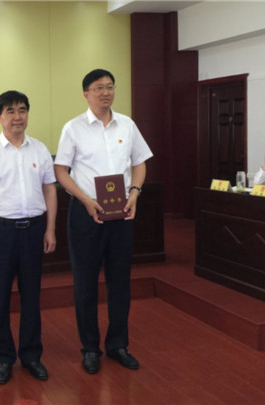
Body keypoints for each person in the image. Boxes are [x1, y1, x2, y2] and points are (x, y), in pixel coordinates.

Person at [54, 69, 153, 374]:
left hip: (121, 212)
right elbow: (61, 171)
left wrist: (135, 192)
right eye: (99, 88)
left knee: (120, 282)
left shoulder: (127, 124)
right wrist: (85, 200)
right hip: (86, 214)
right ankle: (90, 348)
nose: (106, 92)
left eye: (110, 87)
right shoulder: (73, 128)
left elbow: (139, 163)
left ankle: (118, 344)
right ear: (86, 94)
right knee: (85, 284)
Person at [0, 90, 57, 384]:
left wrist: (50, 229)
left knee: (32, 297)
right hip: (0, 233)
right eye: (10, 111)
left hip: (33, 231)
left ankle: (31, 356)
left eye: (22, 110)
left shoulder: (40, 150)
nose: (17, 116)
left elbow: (49, 190)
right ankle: (4, 358)